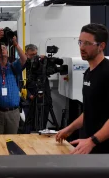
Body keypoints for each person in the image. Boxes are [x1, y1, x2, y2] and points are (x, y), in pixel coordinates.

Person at [56, 23, 109, 154]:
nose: (82, 47)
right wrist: (69, 129)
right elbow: (90, 110)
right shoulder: (88, 73)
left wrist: (92, 141)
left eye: (87, 43)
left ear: (101, 46)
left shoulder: (107, 73)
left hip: (103, 150)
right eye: (80, 42)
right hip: (88, 145)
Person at [0, 29, 27, 134]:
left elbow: (24, 59)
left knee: (11, 142)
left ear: (8, 53)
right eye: (0, 49)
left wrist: (15, 44)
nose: (2, 50)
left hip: (13, 112)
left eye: (4, 49)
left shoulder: (14, 67)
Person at [23, 44, 52, 131]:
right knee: (30, 125)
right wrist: (29, 95)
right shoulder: (24, 65)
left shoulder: (41, 64)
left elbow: (50, 71)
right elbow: (21, 83)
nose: (34, 57)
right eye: (32, 55)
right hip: (31, 100)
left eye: (35, 54)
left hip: (44, 99)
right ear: (26, 54)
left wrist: (46, 61)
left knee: (42, 124)